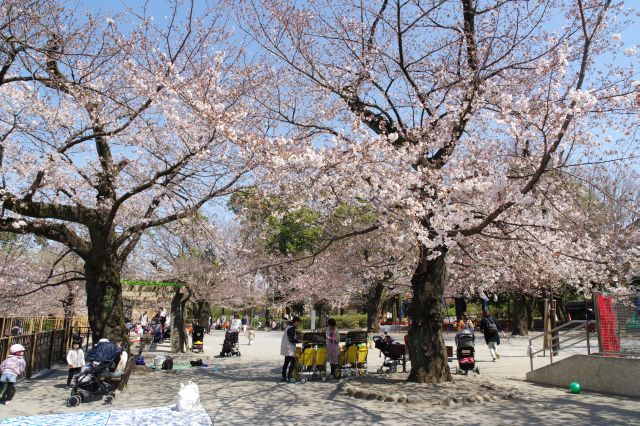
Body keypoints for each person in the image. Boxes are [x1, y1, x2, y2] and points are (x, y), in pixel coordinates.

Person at [280, 316, 302, 383]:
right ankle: (289, 377)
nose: (299, 324)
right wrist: (299, 341)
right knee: (293, 362)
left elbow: (291, 336)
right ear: (296, 322)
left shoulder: (289, 327)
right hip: (289, 348)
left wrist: (297, 335)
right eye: (298, 323)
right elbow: (291, 339)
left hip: (286, 347)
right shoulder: (291, 328)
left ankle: (283, 376)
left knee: (286, 362)